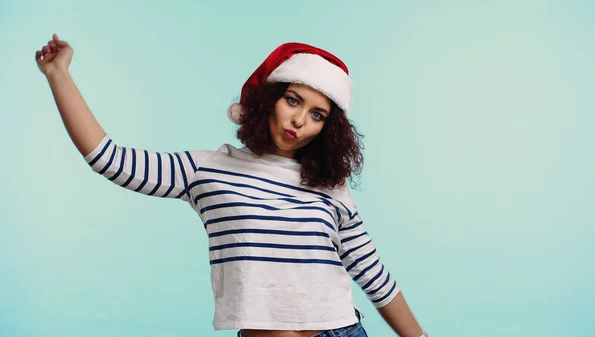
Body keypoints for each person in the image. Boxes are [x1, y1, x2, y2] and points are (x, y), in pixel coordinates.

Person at [35, 33, 427, 337]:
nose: (299, 121)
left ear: (328, 128)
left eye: (317, 115)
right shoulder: (208, 169)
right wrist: (59, 75)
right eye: (293, 100)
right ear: (270, 97)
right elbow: (110, 159)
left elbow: (373, 273)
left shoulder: (331, 187)